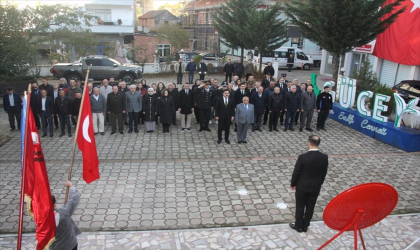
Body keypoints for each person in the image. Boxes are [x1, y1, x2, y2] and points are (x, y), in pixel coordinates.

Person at [290, 135, 328, 233]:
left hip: (302, 185)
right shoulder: (324, 157)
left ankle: (298, 226)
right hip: (315, 186)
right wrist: (320, 183)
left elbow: (297, 172)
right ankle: (306, 225)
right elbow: (324, 172)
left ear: (309, 143)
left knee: (300, 206)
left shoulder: (303, 157)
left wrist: (293, 183)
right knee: (311, 206)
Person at [50, 181, 81, 250]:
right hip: (70, 245)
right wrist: (71, 187)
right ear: (54, 204)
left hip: (55, 247)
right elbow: (74, 198)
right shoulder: (64, 212)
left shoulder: (41, 219)